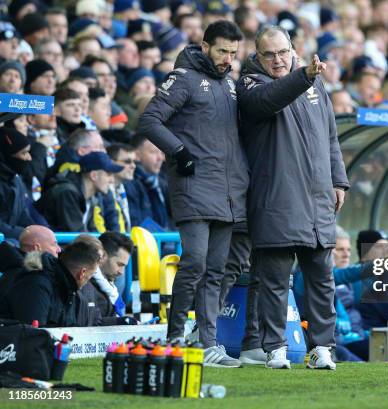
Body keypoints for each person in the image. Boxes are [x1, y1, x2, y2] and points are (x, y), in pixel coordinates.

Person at [236, 26, 349, 370]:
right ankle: (275, 349)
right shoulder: (250, 85)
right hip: (277, 198)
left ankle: (321, 349)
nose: (277, 60)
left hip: (316, 197)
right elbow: (270, 100)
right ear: (257, 56)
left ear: (292, 49)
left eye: (282, 52)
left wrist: (338, 181)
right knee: (274, 280)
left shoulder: (313, 83)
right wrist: (304, 74)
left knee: (321, 278)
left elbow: (330, 136)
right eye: (268, 54)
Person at [138, 20, 248, 368]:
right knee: (195, 263)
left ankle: (207, 342)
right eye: (221, 51)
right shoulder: (184, 78)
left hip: (227, 192)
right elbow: (150, 120)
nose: (227, 59)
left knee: (216, 269)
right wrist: (180, 152)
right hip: (194, 186)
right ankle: (174, 337)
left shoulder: (229, 85)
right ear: (204, 47)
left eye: (233, 53)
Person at [0, 239, 101, 327]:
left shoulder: (67, 288)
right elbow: (32, 337)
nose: (88, 281)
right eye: (90, 276)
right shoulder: (36, 284)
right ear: (82, 273)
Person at [0, 126, 35, 240]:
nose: (29, 158)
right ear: (5, 155)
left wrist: (37, 231)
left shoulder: (16, 179)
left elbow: (23, 215)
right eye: (24, 153)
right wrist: (26, 235)